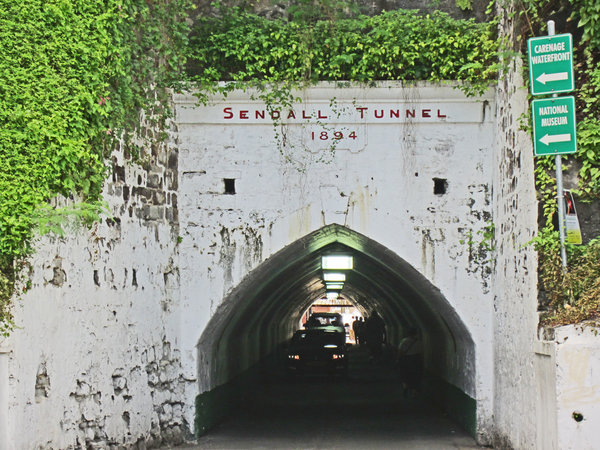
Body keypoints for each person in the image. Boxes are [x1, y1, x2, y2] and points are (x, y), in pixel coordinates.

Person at [396, 327, 423, 396]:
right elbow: (420, 352)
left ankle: (405, 387)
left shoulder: (404, 341)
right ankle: (414, 391)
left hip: (406, 359)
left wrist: (398, 359)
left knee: (405, 375)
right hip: (416, 360)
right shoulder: (418, 342)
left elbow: (400, 351)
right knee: (415, 376)